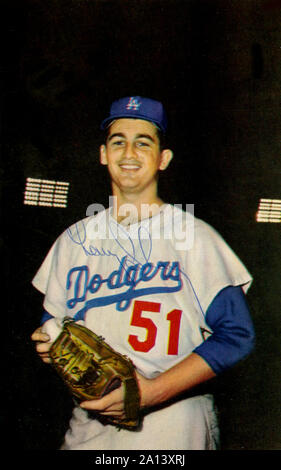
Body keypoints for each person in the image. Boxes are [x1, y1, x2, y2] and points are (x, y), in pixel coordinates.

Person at [31, 96, 255, 450]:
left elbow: (237, 335)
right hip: (89, 426)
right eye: (118, 141)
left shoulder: (195, 238)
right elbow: (52, 323)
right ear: (103, 154)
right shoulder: (73, 241)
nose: (129, 152)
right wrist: (49, 344)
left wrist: (151, 393)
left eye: (143, 142)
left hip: (172, 426)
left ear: (163, 159)